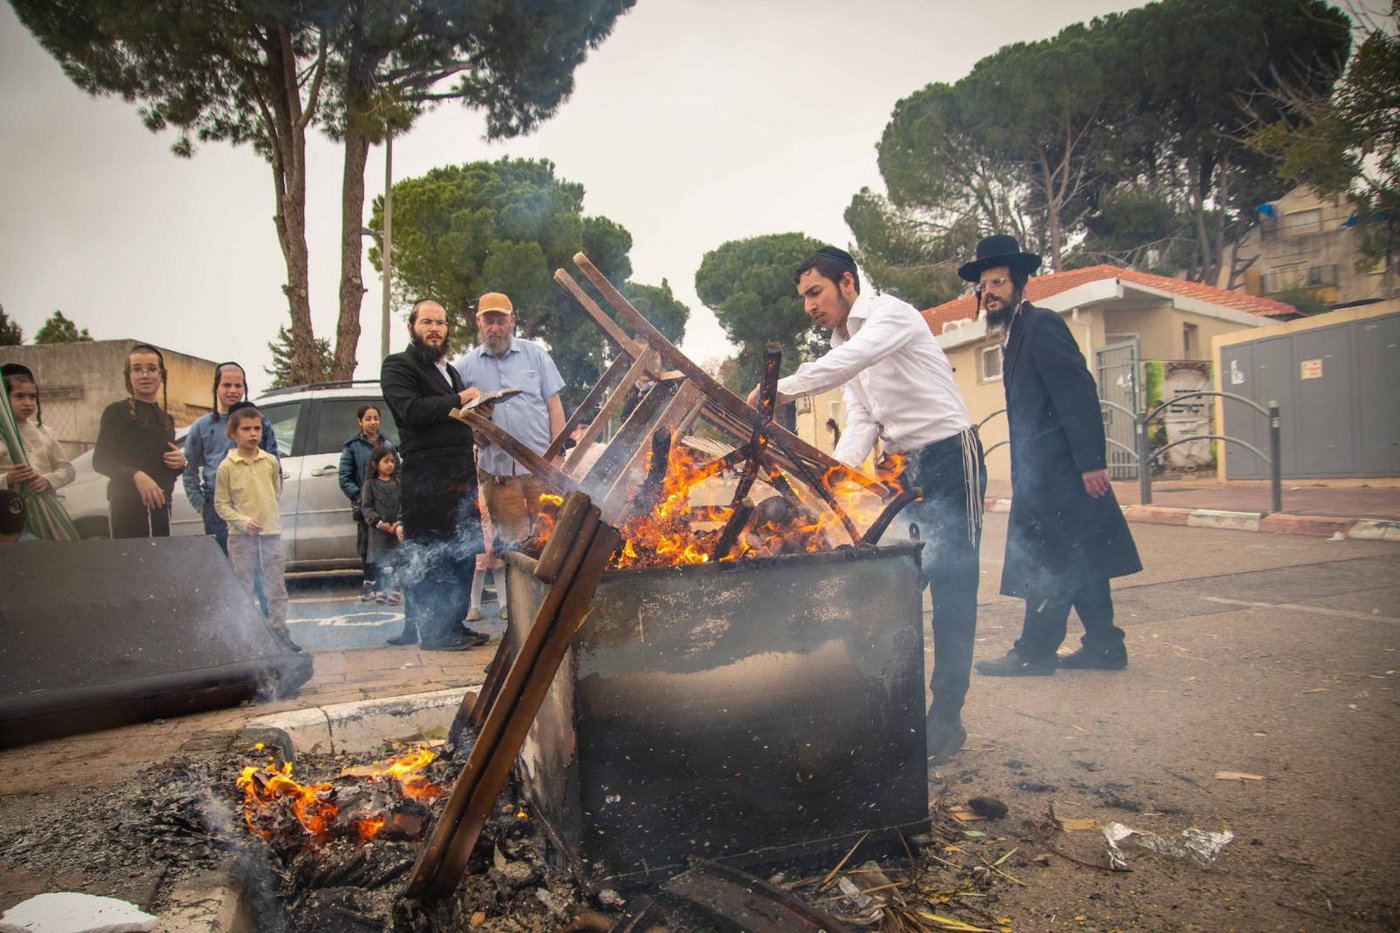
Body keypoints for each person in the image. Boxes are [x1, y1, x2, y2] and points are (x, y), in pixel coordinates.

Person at [749, 246, 986, 766]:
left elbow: (843, 366)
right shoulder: (840, 341)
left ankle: (947, 716)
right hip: (902, 468)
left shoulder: (889, 315)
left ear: (847, 283)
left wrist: (777, 389)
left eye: (816, 292)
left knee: (953, 586)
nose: (809, 305)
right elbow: (861, 421)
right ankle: (891, 706)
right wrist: (832, 480)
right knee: (893, 583)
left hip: (950, 455)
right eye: (803, 297)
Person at [963, 235, 1142, 676]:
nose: (989, 293)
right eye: (983, 285)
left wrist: (1090, 462)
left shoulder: (1041, 324)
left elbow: (1077, 391)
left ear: (1021, 283)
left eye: (998, 282)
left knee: (1047, 559)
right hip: (1042, 471)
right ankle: (1105, 647)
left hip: (1061, 472)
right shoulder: (1014, 334)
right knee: (1078, 556)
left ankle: (1034, 651)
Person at [380, 298, 492, 651]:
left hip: (459, 477)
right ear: (412, 326)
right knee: (431, 556)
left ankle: (453, 625)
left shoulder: (449, 370)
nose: (435, 329)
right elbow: (411, 410)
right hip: (426, 478)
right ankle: (433, 633)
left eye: (441, 323)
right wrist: (460, 398)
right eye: (427, 322)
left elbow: (452, 412)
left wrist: (478, 411)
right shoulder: (398, 366)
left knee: (462, 552)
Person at [452, 291, 565, 547]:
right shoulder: (464, 367)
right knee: (514, 548)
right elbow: (457, 419)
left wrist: (557, 457)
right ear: (478, 322)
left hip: (541, 470)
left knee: (552, 543)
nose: (495, 328)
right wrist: (473, 433)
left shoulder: (535, 355)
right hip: (498, 476)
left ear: (512, 320)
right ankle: (518, 587)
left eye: (501, 321)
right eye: (489, 321)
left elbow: (554, 406)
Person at [214, 404, 298, 652]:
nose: (252, 434)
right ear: (234, 433)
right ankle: (248, 640)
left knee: (276, 589)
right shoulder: (227, 467)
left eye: (257, 429)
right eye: (246, 429)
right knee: (244, 588)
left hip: (270, 535)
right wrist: (243, 521)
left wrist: (268, 517)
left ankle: (281, 634)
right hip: (242, 539)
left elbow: (275, 490)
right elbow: (221, 504)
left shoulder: (270, 461)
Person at [182, 362, 280, 553]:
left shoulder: (260, 424)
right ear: (216, 387)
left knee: (257, 568)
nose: (233, 390)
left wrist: (270, 503)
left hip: (254, 504)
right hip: (216, 507)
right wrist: (201, 505)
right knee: (225, 568)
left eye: (238, 385)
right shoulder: (202, 426)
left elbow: (275, 465)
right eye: (227, 385)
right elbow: (188, 467)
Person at [93, 344, 187, 538]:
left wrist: (180, 463)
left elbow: (166, 467)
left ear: (161, 374)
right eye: (137, 369)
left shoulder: (166, 418)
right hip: (128, 509)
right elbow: (101, 460)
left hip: (160, 509)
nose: (145, 375)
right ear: (129, 375)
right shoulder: (116, 412)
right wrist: (136, 475)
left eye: (152, 369)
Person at [338, 404, 396, 596]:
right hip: (367, 507)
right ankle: (370, 583)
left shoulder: (387, 444)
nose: (373, 422)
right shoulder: (353, 446)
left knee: (390, 543)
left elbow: (398, 472)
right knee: (367, 545)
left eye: (375, 418)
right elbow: (345, 477)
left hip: (389, 505)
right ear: (360, 422)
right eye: (368, 419)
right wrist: (361, 498)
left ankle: (389, 585)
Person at [1, 364, 76, 498]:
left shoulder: (44, 432)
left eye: (32, 397)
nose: (28, 402)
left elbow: (68, 469)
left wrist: (48, 480)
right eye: (20, 396)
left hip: (45, 511)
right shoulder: (2, 434)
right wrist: (7, 479)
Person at [360, 444, 404, 606]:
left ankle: (395, 590)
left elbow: (403, 504)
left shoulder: (398, 483)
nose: (390, 465)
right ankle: (380, 589)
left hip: (396, 530)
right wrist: (378, 523)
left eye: (392, 461)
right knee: (380, 561)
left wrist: (398, 522)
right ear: (375, 464)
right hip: (378, 530)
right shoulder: (370, 485)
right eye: (386, 461)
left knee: (397, 560)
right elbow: (366, 507)